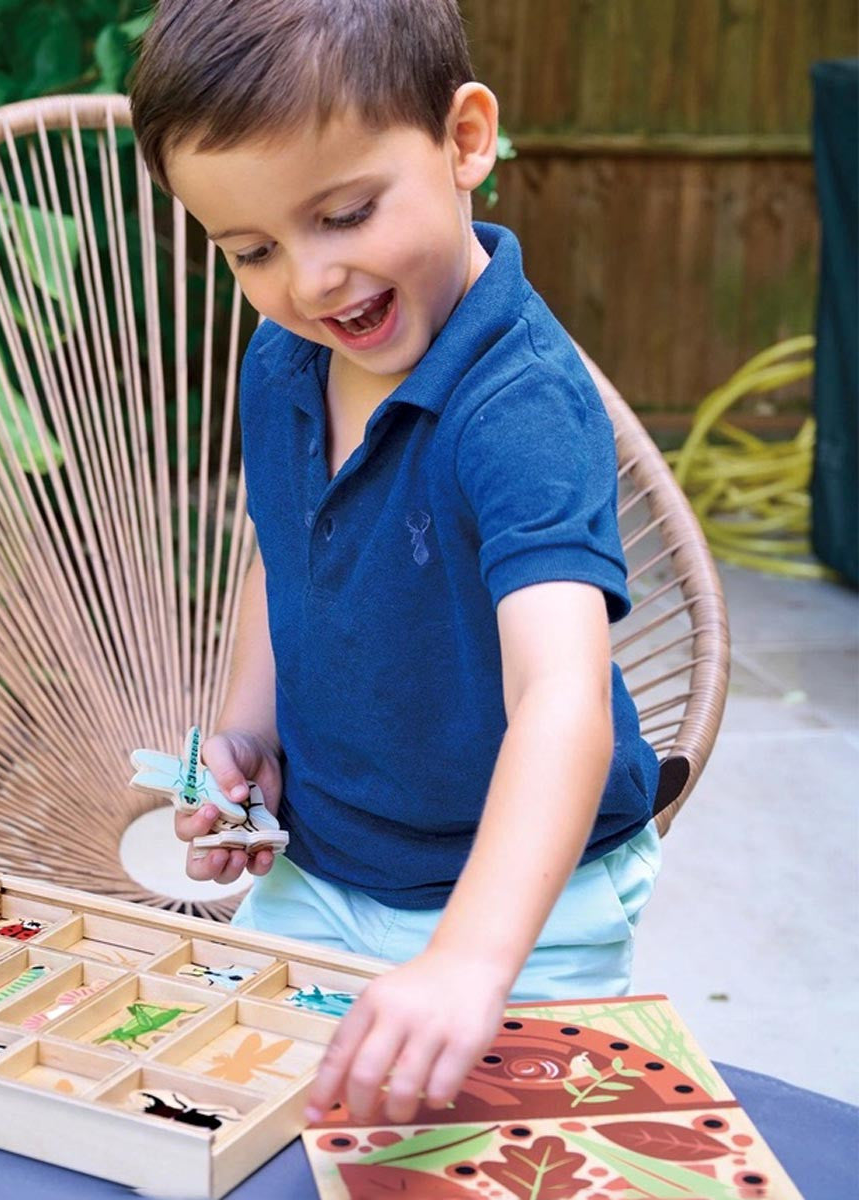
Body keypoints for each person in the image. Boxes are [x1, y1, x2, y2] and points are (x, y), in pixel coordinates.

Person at [128, 0, 662, 1127]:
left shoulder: (518, 406)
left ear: (466, 140)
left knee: (496, 1155)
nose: (312, 281)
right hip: (318, 874)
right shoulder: (282, 365)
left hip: (526, 911)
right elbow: (287, 552)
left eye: (346, 215)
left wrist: (471, 960)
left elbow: (562, 694)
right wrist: (246, 738)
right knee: (268, 1140)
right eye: (253, 251)